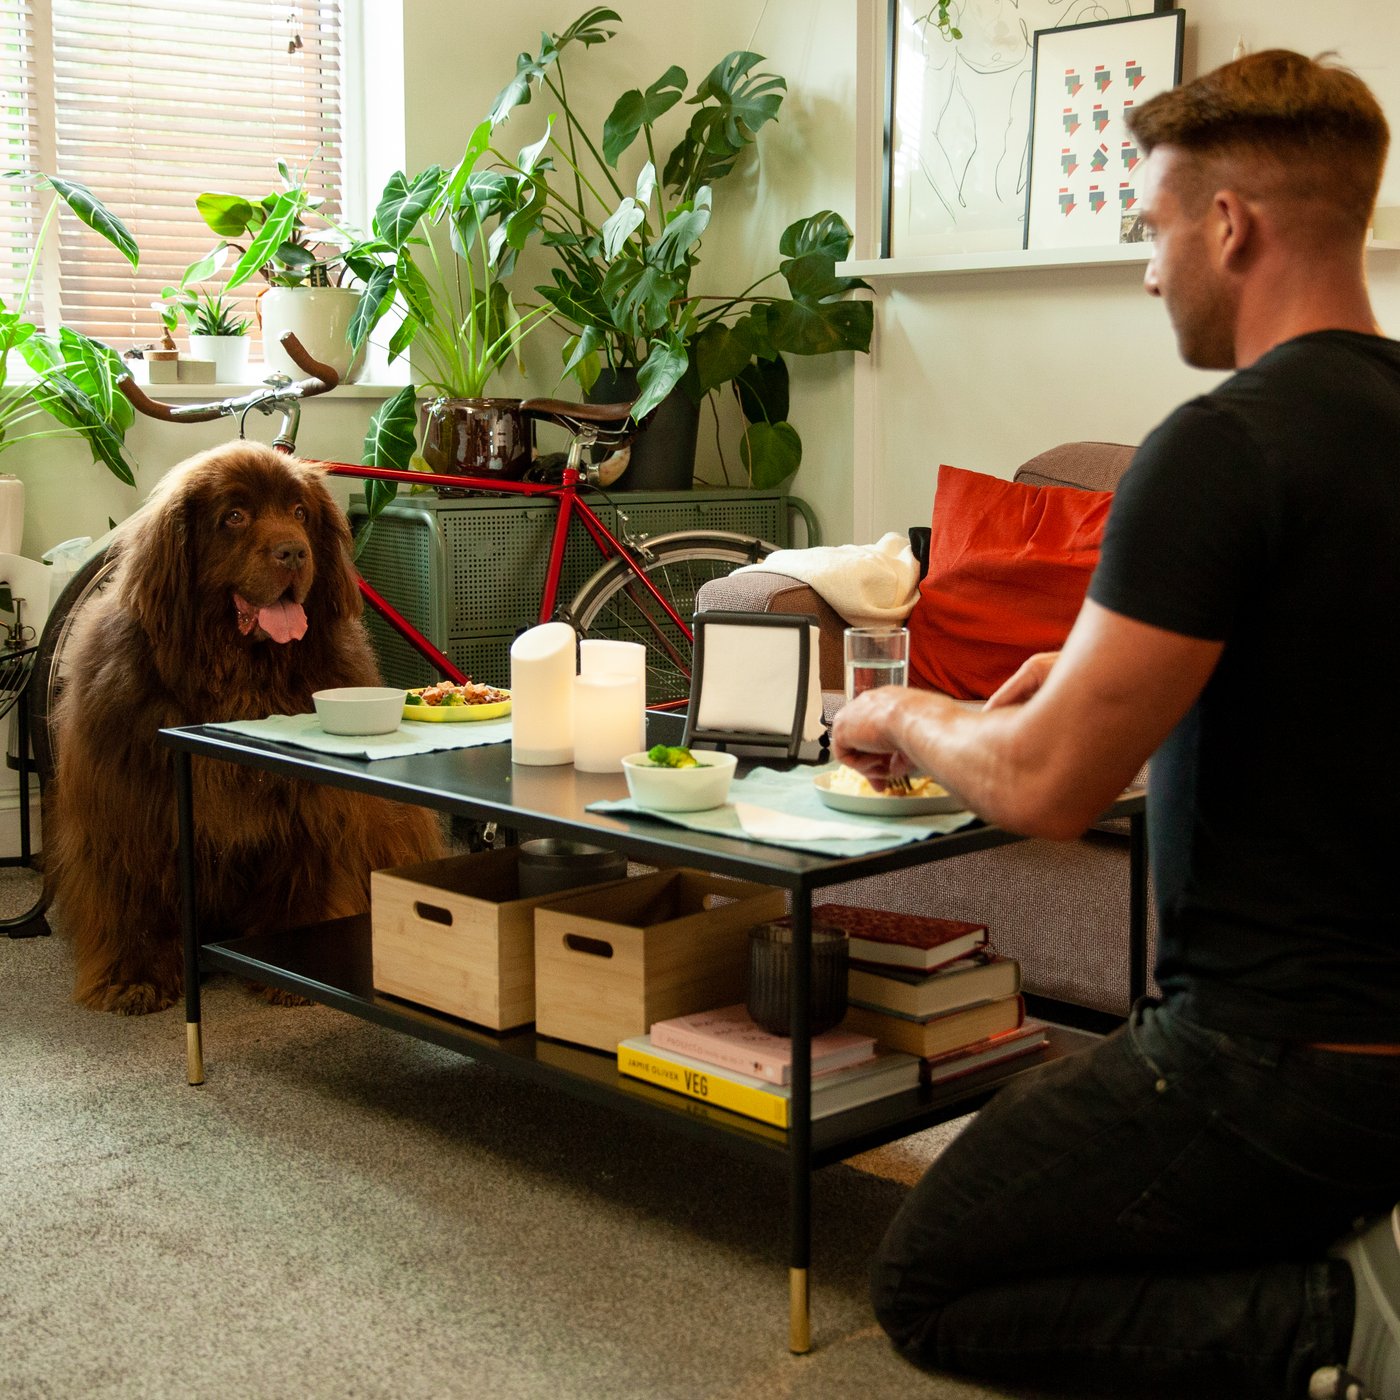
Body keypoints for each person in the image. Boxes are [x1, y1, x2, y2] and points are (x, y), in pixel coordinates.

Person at [831, 49, 1400, 1400]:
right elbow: (1333, 697)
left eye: (1151, 230)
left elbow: (1037, 792)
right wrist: (1090, 681)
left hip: (1270, 1061)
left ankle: (1338, 1336)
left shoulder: (1220, 446)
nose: (1149, 272)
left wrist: (901, 708)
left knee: (931, 1281)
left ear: (1228, 225)